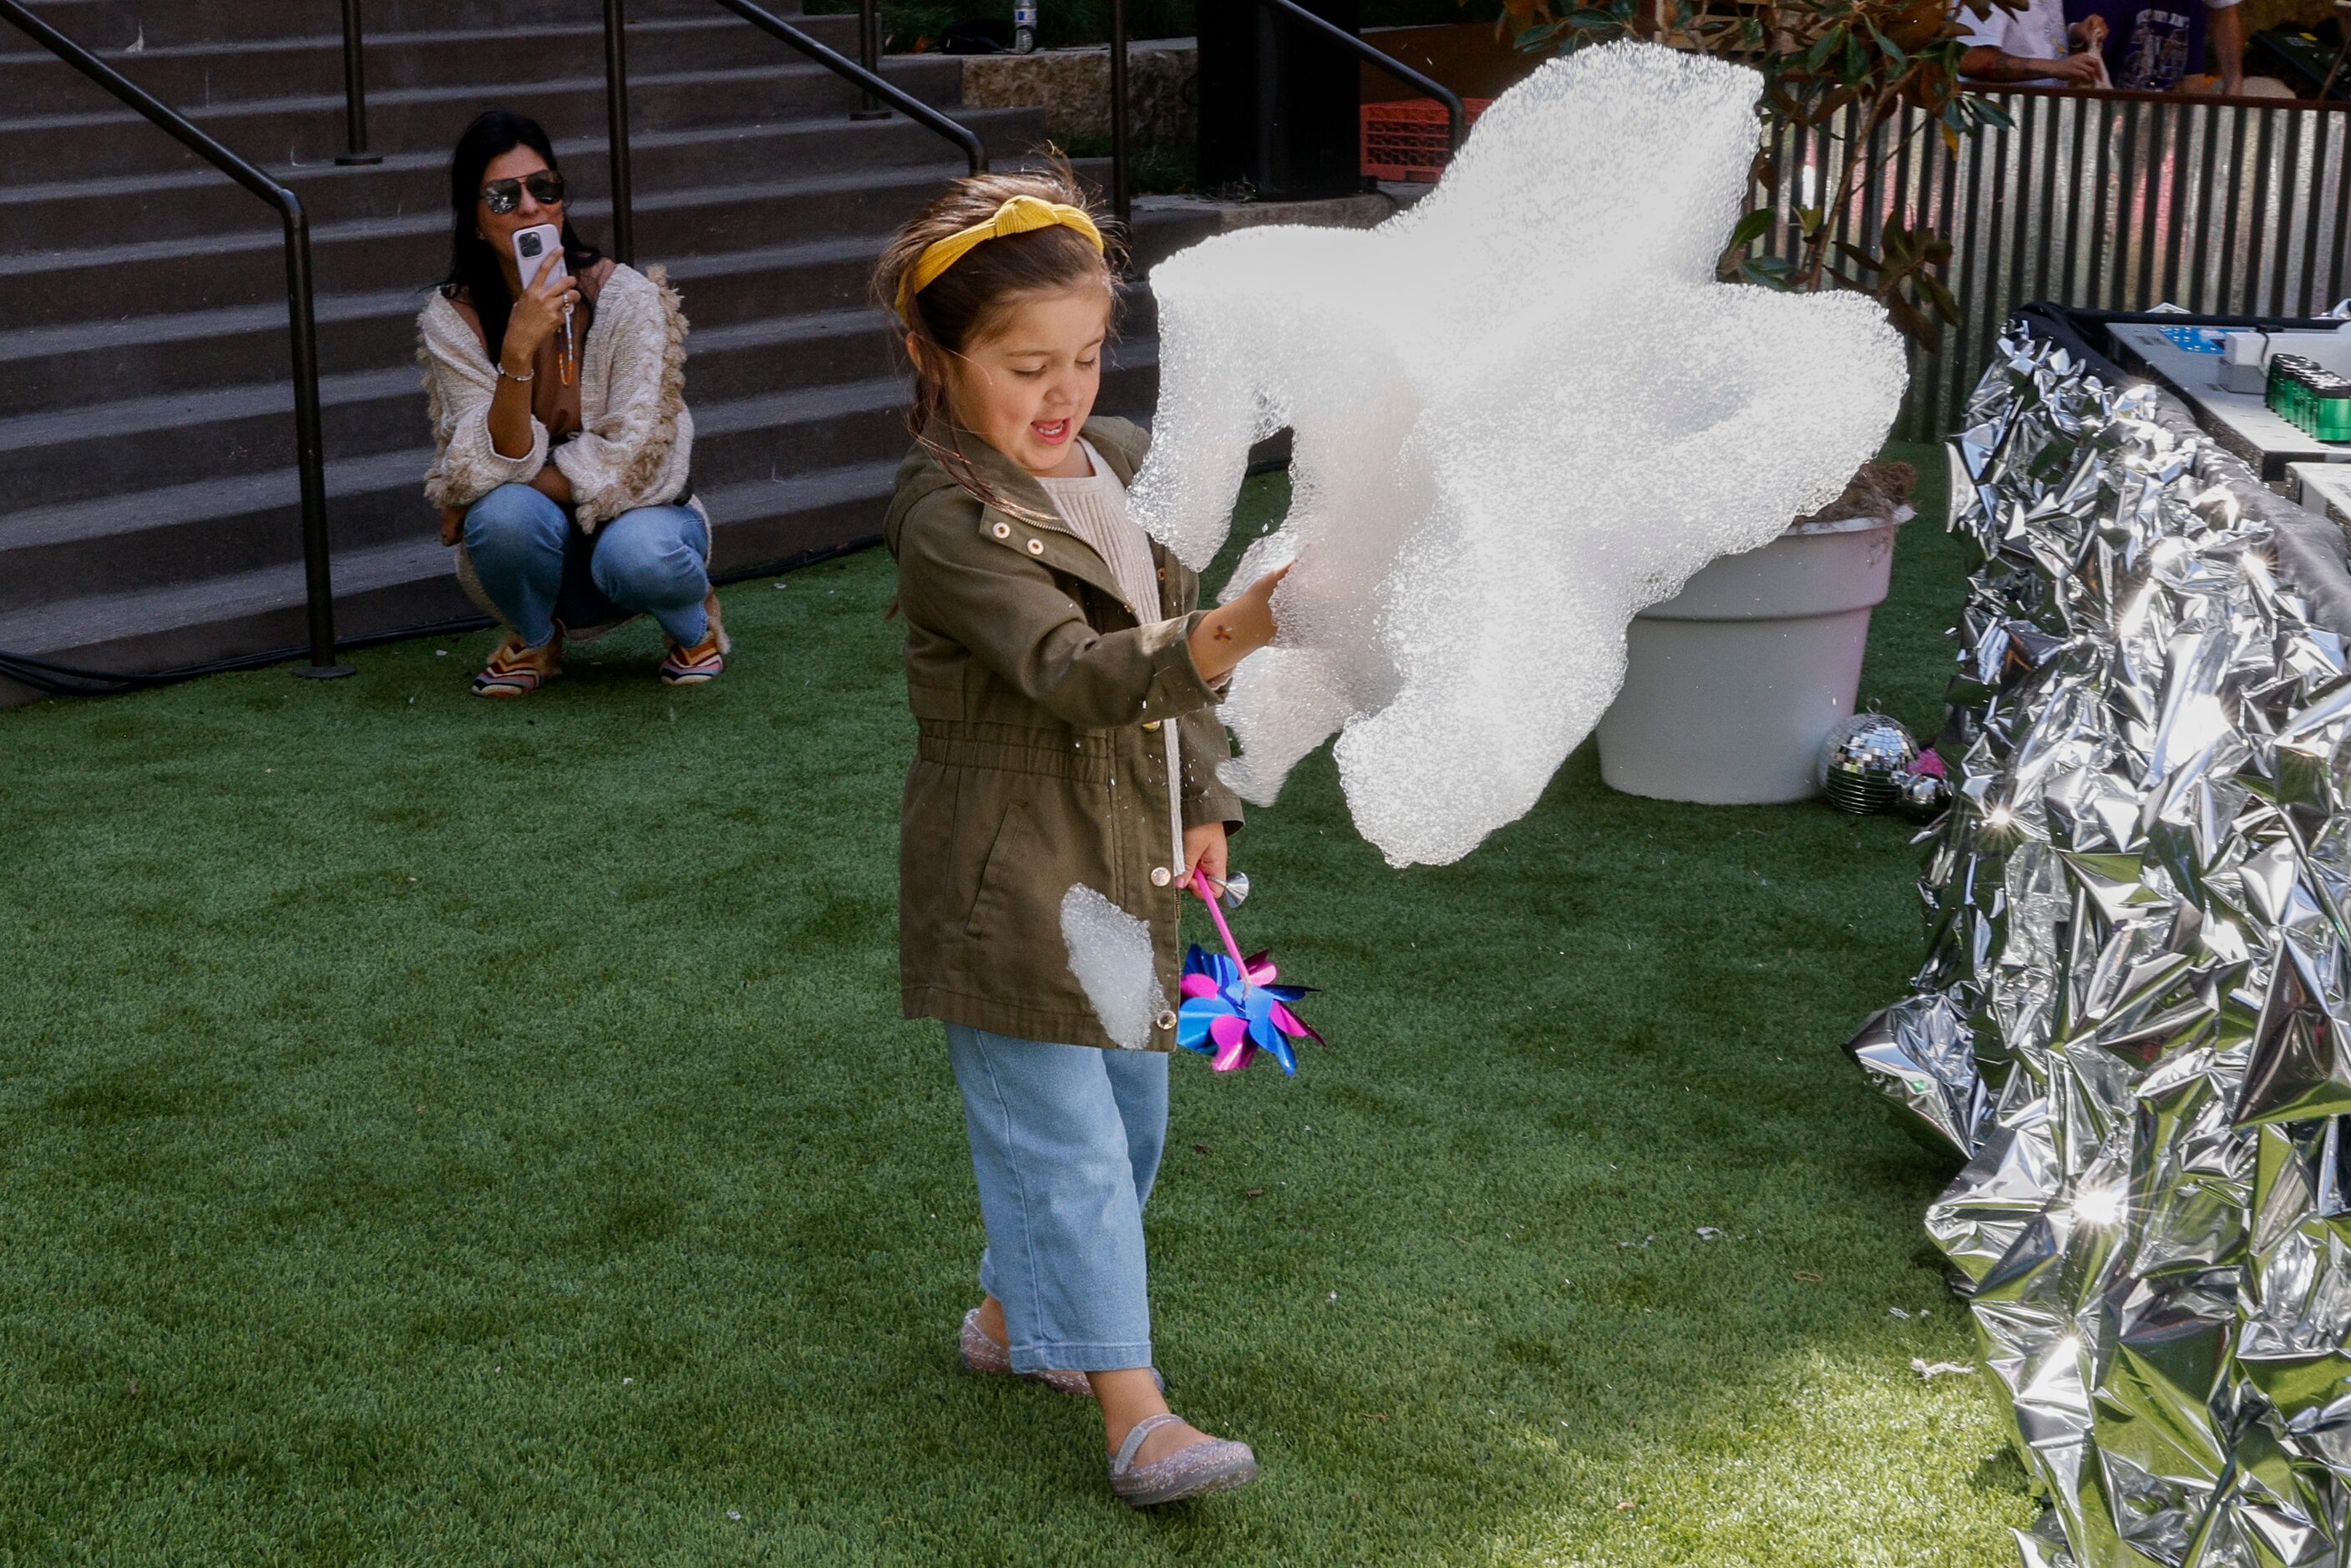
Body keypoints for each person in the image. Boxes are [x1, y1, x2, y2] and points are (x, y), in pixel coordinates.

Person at [873, 167, 1291, 1508]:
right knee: (1065, 1144)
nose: (1061, 392)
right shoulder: (948, 519)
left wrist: (1207, 800)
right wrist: (1231, 634)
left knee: (1129, 1123)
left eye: (1086, 355)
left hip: (1121, 860)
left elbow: (1153, 665)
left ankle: (1011, 1316)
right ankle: (1136, 1413)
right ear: (936, 363)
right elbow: (1074, 672)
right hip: (1007, 881)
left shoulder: (1104, 462)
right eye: (1022, 365)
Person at [418, 109, 726, 697]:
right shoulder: (450, 320)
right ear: (477, 221)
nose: (532, 207)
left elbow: (634, 459)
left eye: (545, 188)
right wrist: (516, 350)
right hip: (539, 544)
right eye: (505, 196)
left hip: (642, 518)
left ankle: (694, 628)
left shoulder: (627, 296)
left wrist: (488, 491)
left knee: (637, 552)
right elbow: (482, 461)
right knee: (502, 519)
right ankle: (536, 639)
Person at [2067, 0, 2248, 94]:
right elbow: (2081, 83)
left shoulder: (2193, 7)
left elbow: (2192, 83)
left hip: (2152, 126)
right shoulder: (2105, 6)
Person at [1957, 0, 2111, 85]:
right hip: (1997, 133)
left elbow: (2033, 41)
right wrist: (2055, 67)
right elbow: (1968, 58)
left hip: (2033, 123)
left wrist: (2074, 34)